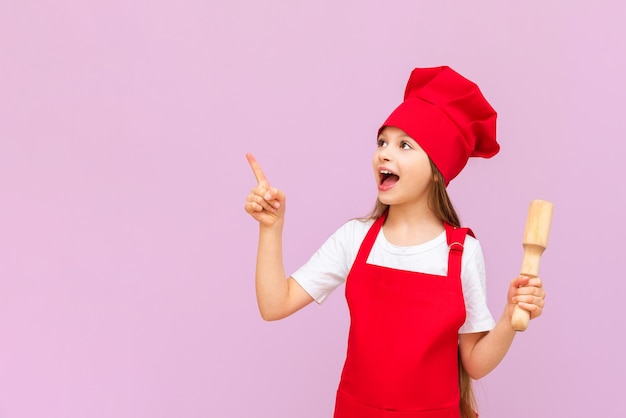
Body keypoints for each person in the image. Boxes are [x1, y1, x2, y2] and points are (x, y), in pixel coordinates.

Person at [244, 66, 546, 418]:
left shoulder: (461, 253)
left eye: (404, 145)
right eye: (382, 142)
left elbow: (475, 364)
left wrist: (510, 317)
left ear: (437, 169)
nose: (384, 154)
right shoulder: (355, 239)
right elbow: (274, 305)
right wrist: (270, 228)